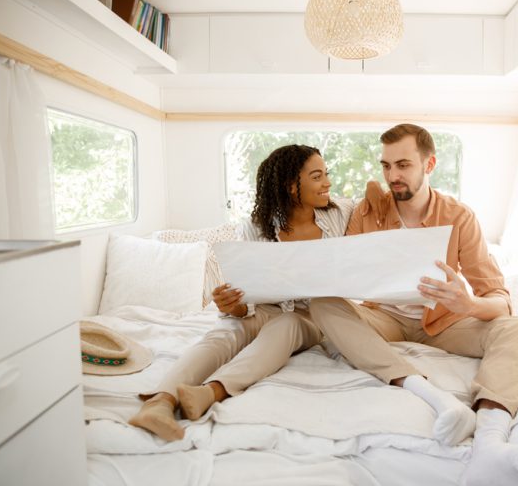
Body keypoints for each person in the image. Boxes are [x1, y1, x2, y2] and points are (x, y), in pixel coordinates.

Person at [308, 124, 518, 486]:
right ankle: (424, 390)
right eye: (386, 166)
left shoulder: (459, 217)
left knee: (517, 326)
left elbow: (500, 301)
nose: (393, 175)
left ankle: (490, 442)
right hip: (384, 319)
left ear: (430, 165)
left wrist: (469, 303)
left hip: (445, 323)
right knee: (324, 305)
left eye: (404, 165)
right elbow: (345, 277)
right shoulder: (368, 211)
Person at [129, 144, 354, 441]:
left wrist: (375, 186)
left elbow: (377, 197)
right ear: (290, 186)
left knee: (287, 324)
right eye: (317, 176)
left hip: (312, 315)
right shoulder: (255, 227)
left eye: (326, 174)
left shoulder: (338, 214)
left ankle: (210, 393)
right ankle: (160, 403)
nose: (327, 183)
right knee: (225, 332)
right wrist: (232, 305)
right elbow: (248, 293)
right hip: (263, 308)